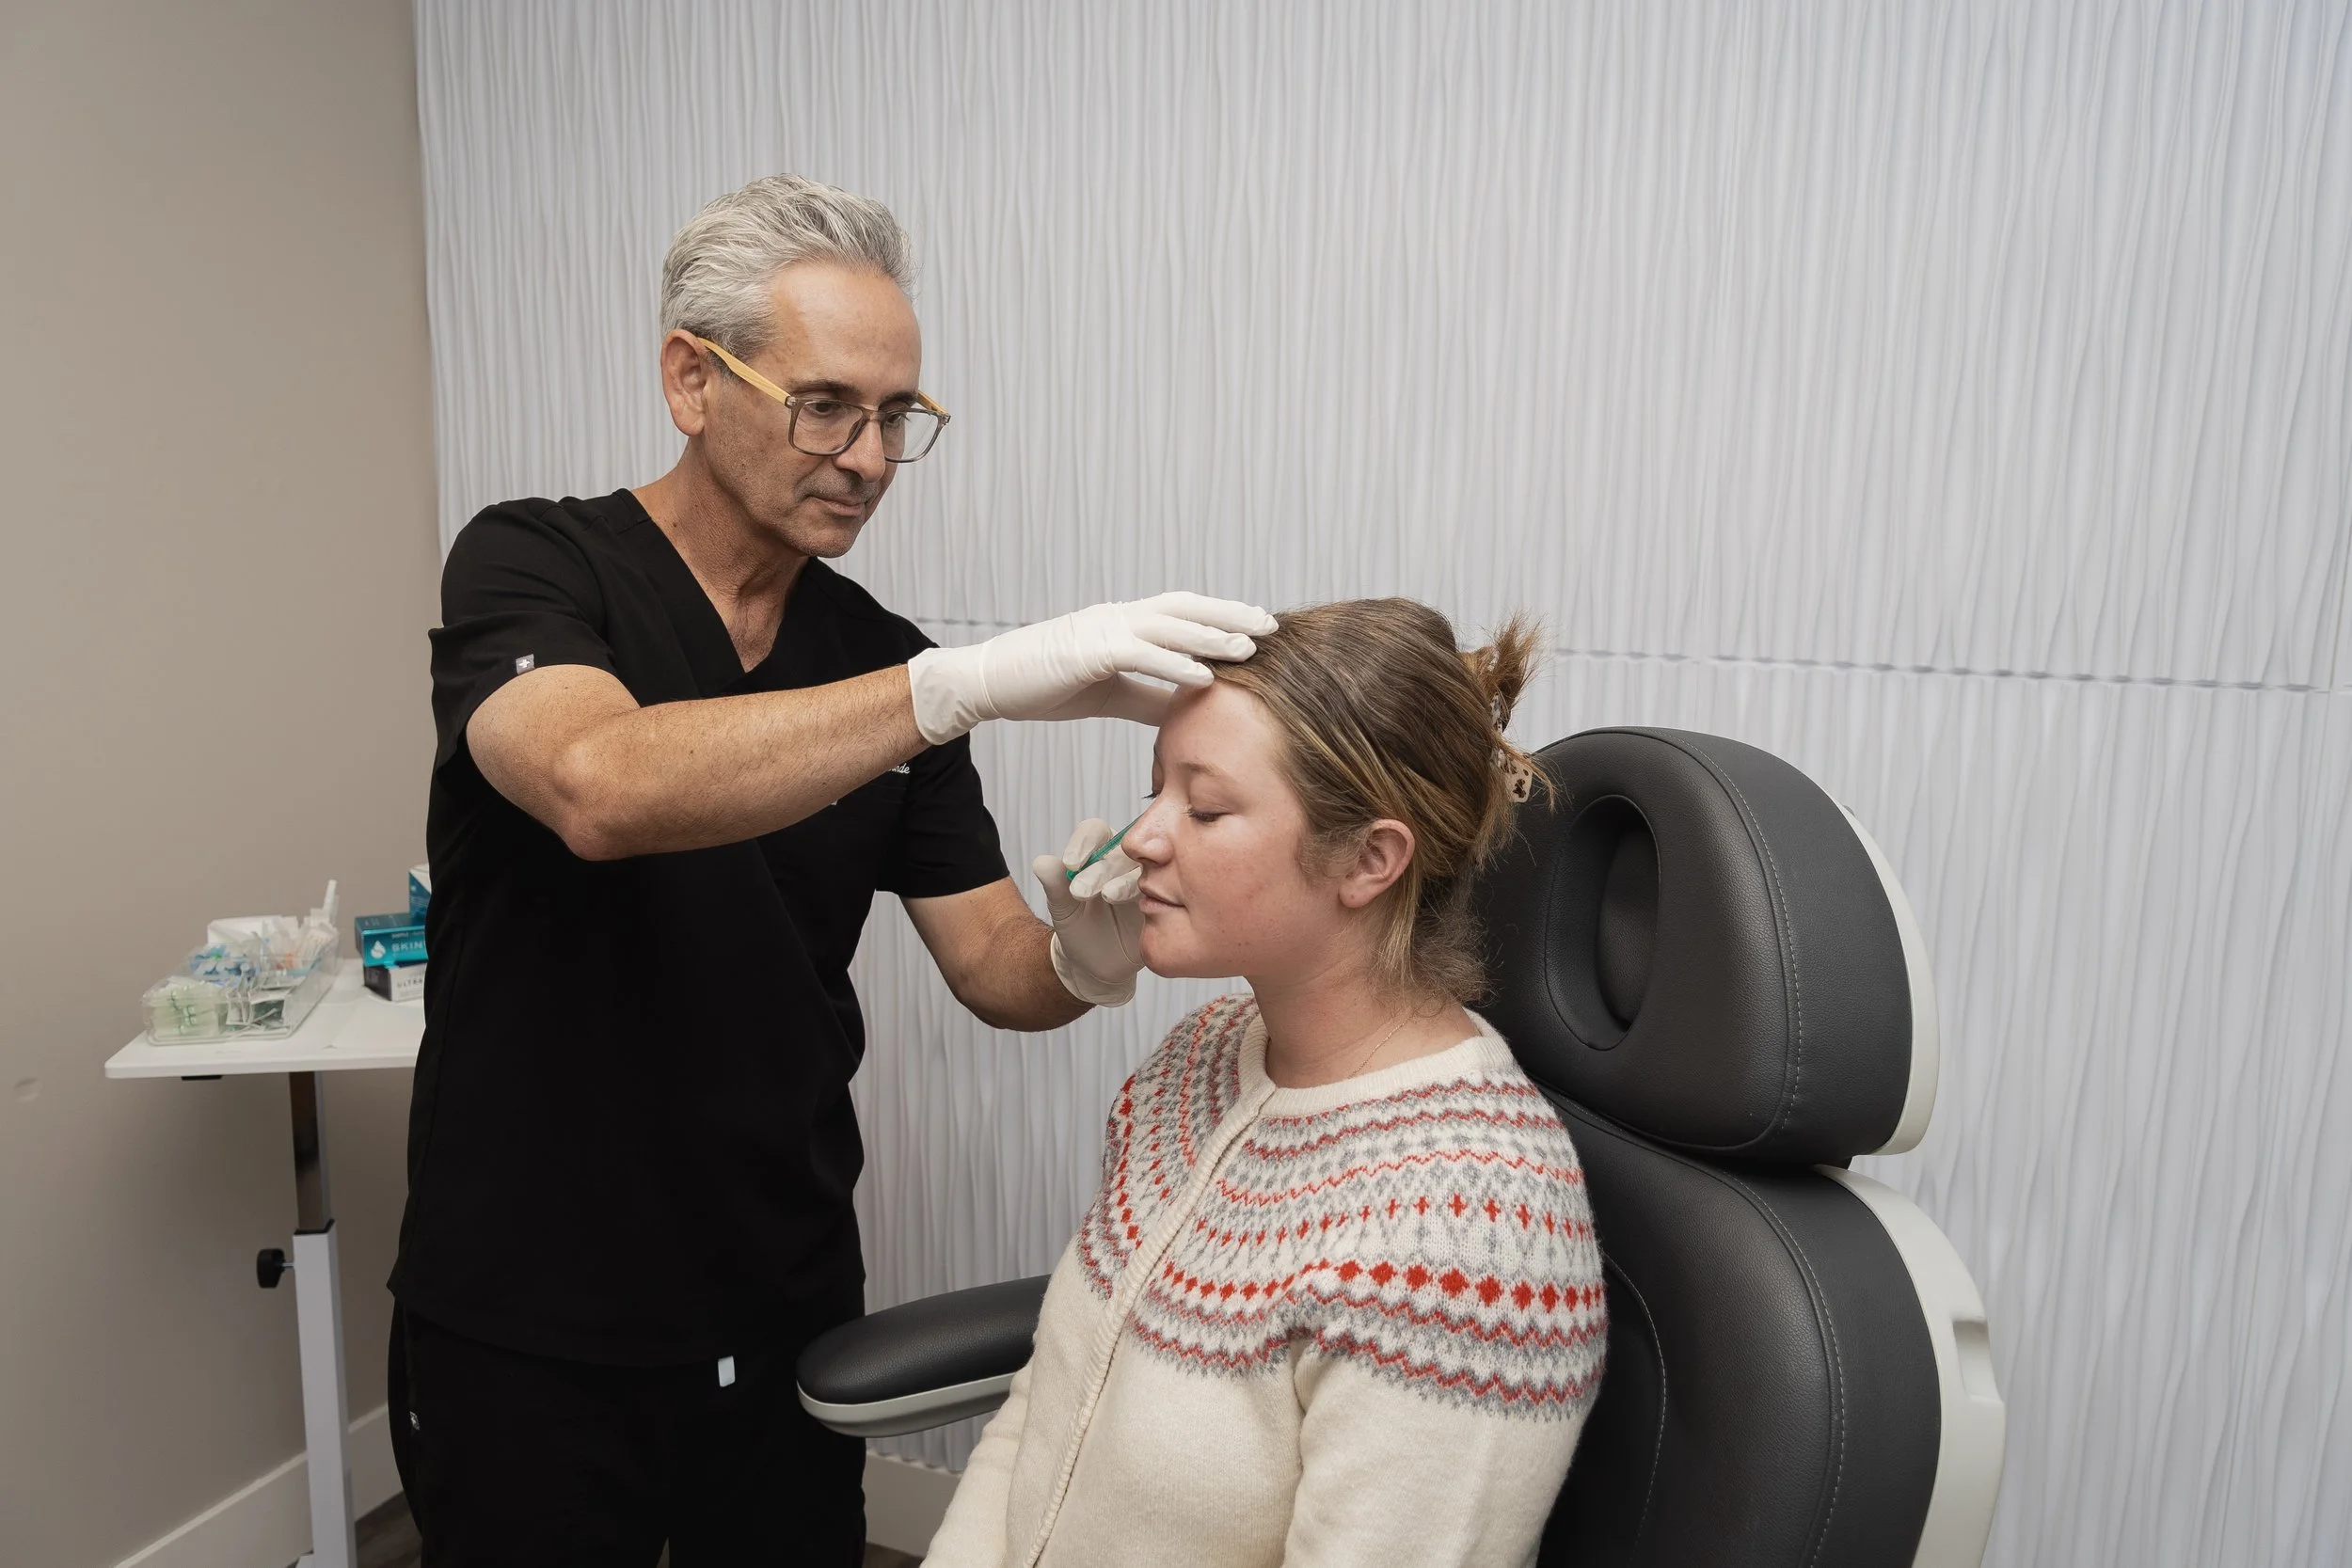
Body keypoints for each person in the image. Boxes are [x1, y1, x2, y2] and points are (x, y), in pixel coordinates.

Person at [386, 174, 1272, 1567]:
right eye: (826, 404)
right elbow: (595, 785)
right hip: (531, 1293)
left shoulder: (882, 654)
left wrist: (1089, 957)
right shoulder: (534, 561)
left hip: (777, 1282)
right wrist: (951, 688)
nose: (866, 455)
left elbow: (993, 965)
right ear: (692, 378)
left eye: (897, 417)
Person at [928, 599, 1609, 1568]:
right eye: (1155, 788)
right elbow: (1050, 1403)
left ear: (1369, 859)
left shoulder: (1470, 1229)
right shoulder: (1203, 1056)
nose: (1143, 837)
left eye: (1203, 807)